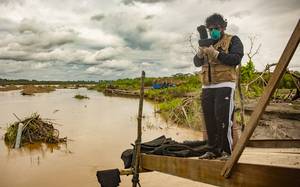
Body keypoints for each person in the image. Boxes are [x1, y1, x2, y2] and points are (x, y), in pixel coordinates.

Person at [193, 13, 244, 159]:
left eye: (216, 28)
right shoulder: (206, 42)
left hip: (225, 84)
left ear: (223, 27)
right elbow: (197, 63)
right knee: (209, 120)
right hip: (207, 86)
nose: (213, 30)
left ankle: (226, 152)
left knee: (223, 120)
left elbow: (235, 58)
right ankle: (212, 150)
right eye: (210, 29)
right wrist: (200, 53)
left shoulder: (232, 40)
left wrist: (215, 53)